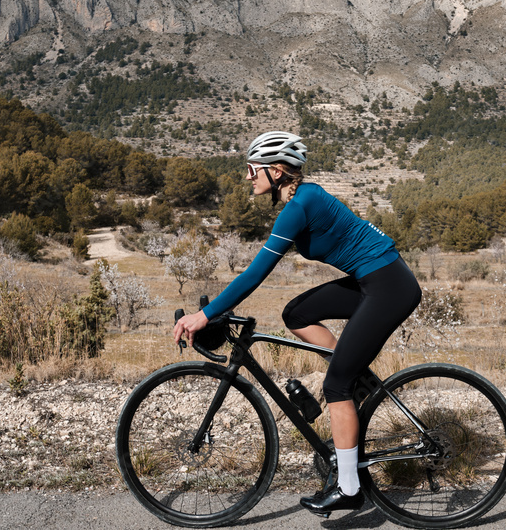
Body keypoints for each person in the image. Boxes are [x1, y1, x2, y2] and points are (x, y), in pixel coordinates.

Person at [173, 130, 422, 516]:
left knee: (335, 385)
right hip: (373, 279)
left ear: (275, 171)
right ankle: (352, 379)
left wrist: (204, 315)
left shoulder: (300, 206)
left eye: (251, 169)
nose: (247, 177)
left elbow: (255, 274)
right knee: (296, 314)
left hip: (389, 285)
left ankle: (349, 487)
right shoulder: (303, 198)